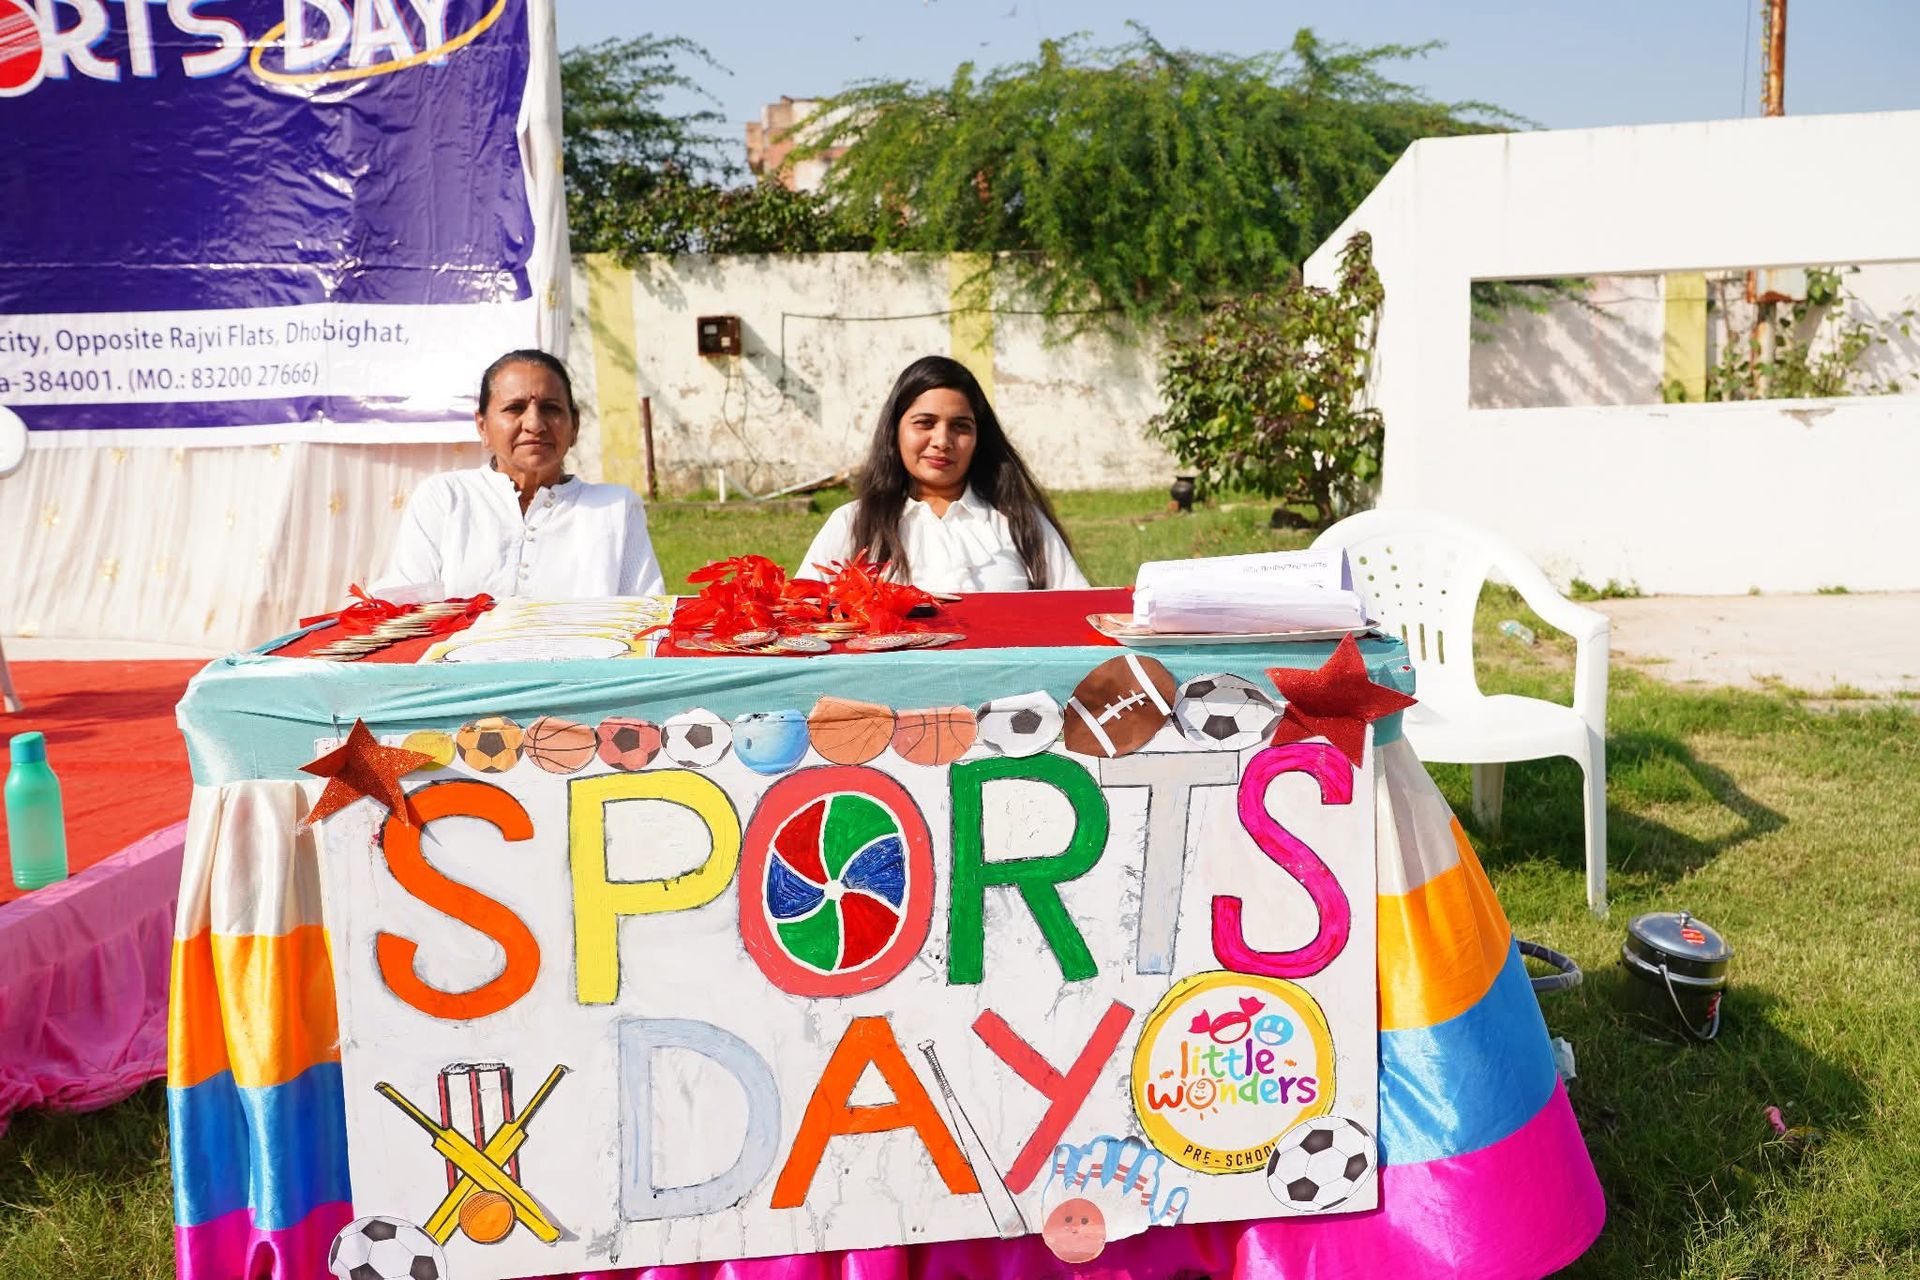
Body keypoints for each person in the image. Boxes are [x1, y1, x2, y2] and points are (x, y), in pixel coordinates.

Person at [378, 349, 665, 599]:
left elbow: (646, 613)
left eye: (550, 408)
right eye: (514, 408)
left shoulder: (614, 508)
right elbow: (409, 606)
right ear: (482, 426)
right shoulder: (444, 498)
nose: (534, 423)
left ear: (574, 425)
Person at [799, 355, 1088, 593]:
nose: (942, 441)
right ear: (894, 431)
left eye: (961, 426)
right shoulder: (853, 523)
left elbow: (1076, 612)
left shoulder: (1020, 521)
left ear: (979, 438)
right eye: (925, 423)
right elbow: (802, 618)